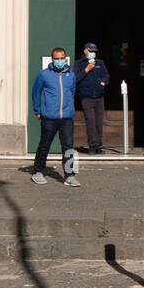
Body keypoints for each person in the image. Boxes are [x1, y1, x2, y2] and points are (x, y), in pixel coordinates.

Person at [30, 47, 80, 187]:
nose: (60, 61)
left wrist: (70, 108)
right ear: (52, 59)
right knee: (44, 145)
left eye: (62, 58)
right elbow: (35, 93)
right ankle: (38, 172)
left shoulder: (71, 74)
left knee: (68, 147)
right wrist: (37, 110)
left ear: (66, 58)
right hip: (49, 117)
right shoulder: (44, 74)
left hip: (67, 117)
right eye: (57, 58)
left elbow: (72, 91)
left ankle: (69, 176)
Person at [74, 42, 110, 154]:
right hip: (86, 97)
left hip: (99, 96)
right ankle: (92, 146)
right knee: (90, 121)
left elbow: (106, 75)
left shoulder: (100, 63)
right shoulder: (79, 64)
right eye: (91, 51)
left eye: (94, 51)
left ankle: (98, 145)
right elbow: (75, 79)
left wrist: (103, 82)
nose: (93, 53)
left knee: (99, 122)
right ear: (85, 51)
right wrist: (87, 69)